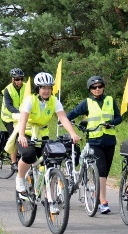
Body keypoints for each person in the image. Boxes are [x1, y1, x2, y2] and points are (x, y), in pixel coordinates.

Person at [15, 72, 80, 213]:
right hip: (26, 132)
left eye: (49, 88)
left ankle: (51, 200)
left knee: (51, 162)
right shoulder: (30, 100)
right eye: (43, 88)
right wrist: (21, 135)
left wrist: (73, 133)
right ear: (37, 89)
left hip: (42, 134)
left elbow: (63, 118)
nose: (46, 91)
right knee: (28, 154)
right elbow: (23, 119)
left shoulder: (54, 101)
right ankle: (20, 178)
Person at [66, 76, 122, 214]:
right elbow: (73, 113)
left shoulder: (110, 100)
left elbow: (119, 117)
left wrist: (112, 123)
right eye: (94, 87)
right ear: (90, 89)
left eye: (99, 86)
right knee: (101, 170)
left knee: (105, 172)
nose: (97, 89)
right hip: (94, 141)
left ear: (103, 87)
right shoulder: (87, 102)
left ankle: (96, 193)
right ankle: (103, 201)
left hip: (109, 141)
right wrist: (65, 120)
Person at [1, 68, 26, 166]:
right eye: (17, 79)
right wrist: (18, 113)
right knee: (15, 135)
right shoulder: (8, 89)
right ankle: (13, 162)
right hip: (8, 117)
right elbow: (9, 105)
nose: (19, 81)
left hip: (21, 116)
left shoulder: (26, 87)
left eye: (21, 79)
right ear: (12, 79)